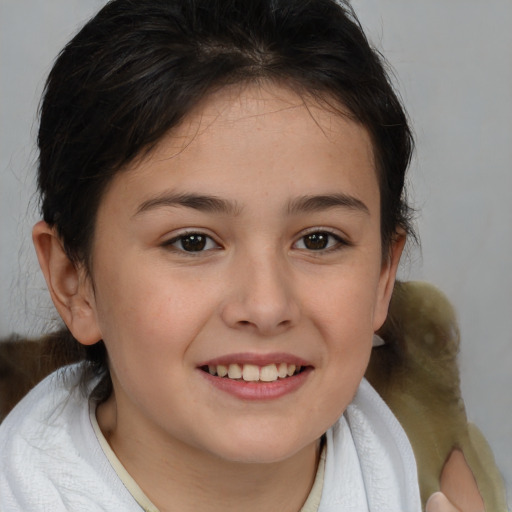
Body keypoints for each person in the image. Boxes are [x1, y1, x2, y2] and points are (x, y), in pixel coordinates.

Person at [0, 0, 468, 510]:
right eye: (192, 241)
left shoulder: (428, 465)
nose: (266, 307)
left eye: (318, 240)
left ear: (383, 276)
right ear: (75, 281)